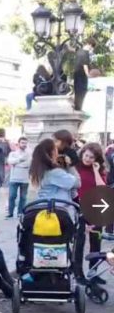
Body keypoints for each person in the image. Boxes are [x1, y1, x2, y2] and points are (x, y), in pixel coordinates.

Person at [74, 143, 107, 283]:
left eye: (91, 157)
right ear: (82, 154)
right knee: (79, 242)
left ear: (96, 159)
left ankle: (93, 272)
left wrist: (95, 171)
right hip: (78, 206)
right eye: (86, 155)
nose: (87, 159)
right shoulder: (75, 168)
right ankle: (78, 273)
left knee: (96, 242)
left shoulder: (100, 170)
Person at [30, 138, 80, 210]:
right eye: (56, 149)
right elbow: (77, 183)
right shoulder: (54, 173)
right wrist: (70, 165)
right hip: (57, 209)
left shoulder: (38, 171)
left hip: (43, 207)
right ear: (53, 152)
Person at [6, 137, 31, 218]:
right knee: (12, 196)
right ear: (19, 143)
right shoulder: (13, 153)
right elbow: (10, 162)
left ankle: (20, 212)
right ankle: (10, 212)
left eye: (25, 143)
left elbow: (28, 164)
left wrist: (17, 163)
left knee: (23, 197)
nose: (24, 145)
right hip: (14, 178)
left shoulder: (29, 154)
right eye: (22, 143)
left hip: (25, 178)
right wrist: (20, 160)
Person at [74, 38, 97, 111]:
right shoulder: (85, 53)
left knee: (77, 91)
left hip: (76, 74)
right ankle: (78, 107)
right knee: (82, 91)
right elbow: (85, 65)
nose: (92, 49)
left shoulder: (79, 51)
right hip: (82, 75)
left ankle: (76, 106)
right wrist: (88, 75)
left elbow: (73, 50)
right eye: (92, 47)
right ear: (90, 45)